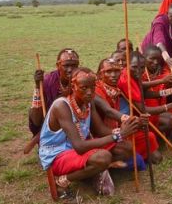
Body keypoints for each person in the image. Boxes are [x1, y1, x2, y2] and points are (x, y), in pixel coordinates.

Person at [39, 67, 143, 198]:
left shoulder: (88, 102)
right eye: (84, 88)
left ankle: (93, 170)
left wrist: (129, 126)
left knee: (126, 148)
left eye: (92, 87)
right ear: (73, 86)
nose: (89, 92)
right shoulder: (61, 106)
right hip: (57, 155)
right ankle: (62, 181)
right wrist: (119, 135)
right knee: (103, 157)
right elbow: (79, 146)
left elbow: (100, 130)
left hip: (78, 149)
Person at [95, 57, 160, 165]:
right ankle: (105, 165)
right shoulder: (96, 90)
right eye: (108, 72)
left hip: (120, 129)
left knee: (152, 145)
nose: (113, 75)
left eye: (116, 71)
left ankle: (133, 157)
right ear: (100, 74)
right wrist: (131, 120)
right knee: (135, 159)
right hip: (104, 136)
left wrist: (134, 123)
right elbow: (108, 111)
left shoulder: (116, 89)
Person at [29, 48, 79, 136]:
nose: (70, 69)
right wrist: (38, 87)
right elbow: (36, 121)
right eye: (66, 65)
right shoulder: (47, 81)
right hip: (53, 130)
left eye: (74, 65)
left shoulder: (80, 79)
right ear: (58, 65)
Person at [141, 3, 172, 68]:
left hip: (169, 55)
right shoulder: (160, 22)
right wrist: (166, 56)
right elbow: (159, 40)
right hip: (153, 53)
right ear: (167, 14)